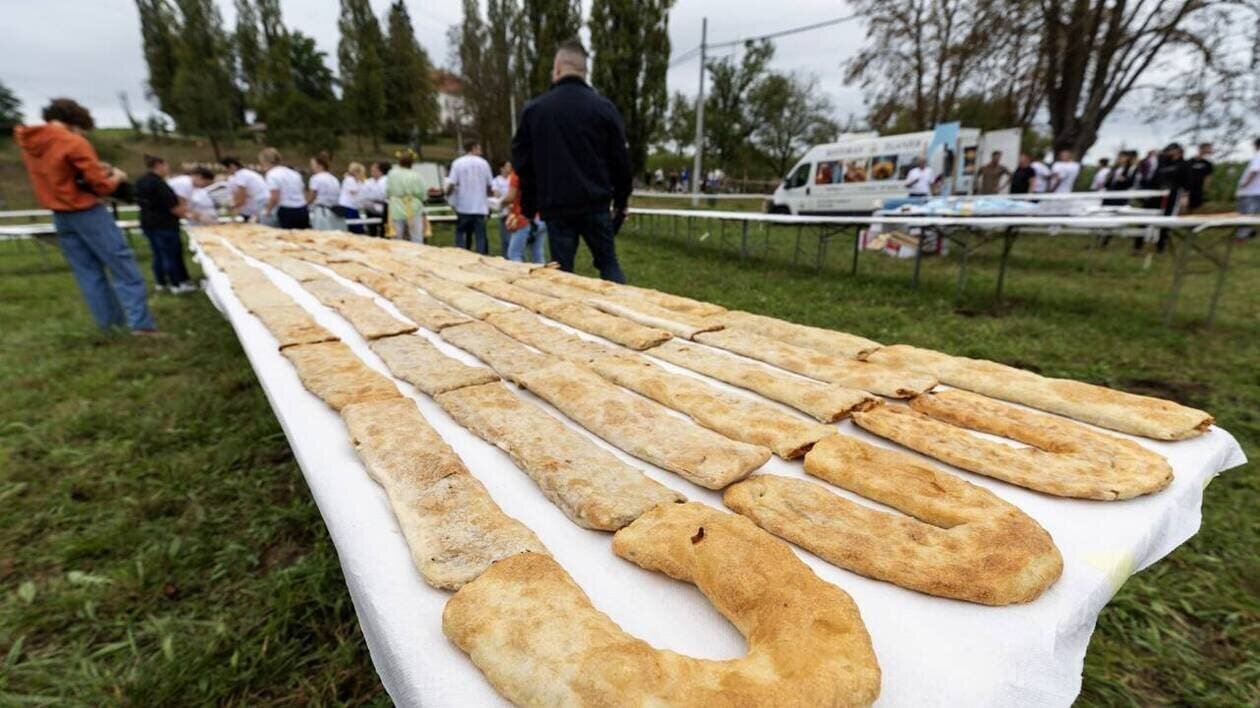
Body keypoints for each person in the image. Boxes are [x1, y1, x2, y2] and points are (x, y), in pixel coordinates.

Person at [14, 98, 157, 333]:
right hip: (87, 211)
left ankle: (111, 326)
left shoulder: (32, 143)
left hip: (59, 214)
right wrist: (117, 177)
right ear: (75, 121)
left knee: (88, 273)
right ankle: (141, 325)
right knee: (124, 268)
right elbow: (100, 186)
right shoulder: (73, 141)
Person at [512, 39, 632, 282]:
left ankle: (565, 318)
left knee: (562, 274)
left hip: (556, 206)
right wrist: (621, 202)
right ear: (584, 71)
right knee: (608, 263)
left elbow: (524, 164)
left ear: (557, 68)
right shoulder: (604, 108)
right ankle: (627, 312)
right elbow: (621, 161)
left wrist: (528, 207)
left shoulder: (535, 111)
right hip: (596, 203)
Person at [134, 154, 196, 294]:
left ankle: (160, 282)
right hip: (164, 224)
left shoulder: (141, 181)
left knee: (158, 254)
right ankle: (177, 283)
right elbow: (172, 207)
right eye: (166, 165)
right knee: (171, 254)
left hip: (148, 223)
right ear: (159, 165)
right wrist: (190, 215)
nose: (167, 169)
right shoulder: (160, 184)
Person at [1137, 143, 1192, 254]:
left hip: (1172, 195)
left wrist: (1185, 197)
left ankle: (1160, 246)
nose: (1168, 152)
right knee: (1145, 218)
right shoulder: (1162, 162)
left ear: (1178, 151)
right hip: (1157, 193)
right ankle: (1138, 244)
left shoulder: (1184, 164)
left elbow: (1187, 182)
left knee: (1165, 221)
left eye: (1171, 150)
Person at [446, 139, 494, 254]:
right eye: (479, 147)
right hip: (480, 206)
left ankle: (461, 253)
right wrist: (489, 201)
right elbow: (489, 185)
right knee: (480, 235)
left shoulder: (457, 163)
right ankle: (480, 255)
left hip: (464, 205)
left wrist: (447, 195)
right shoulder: (484, 163)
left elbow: (452, 183)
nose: (480, 150)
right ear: (474, 148)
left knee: (461, 232)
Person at [502, 165, 547, 263]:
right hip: (541, 216)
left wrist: (500, 203)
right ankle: (543, 276)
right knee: (537, 252)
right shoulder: (541, 171)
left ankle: (520, 276)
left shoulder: (517, 175)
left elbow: (511, 196)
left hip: (523, 218)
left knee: (514, 254)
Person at [259, 147, 309, 229]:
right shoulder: (293, 173)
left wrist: (267, 210)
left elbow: (275, 197)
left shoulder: (272, 174)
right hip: (302, 208)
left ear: (265, 162)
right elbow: (303, 191)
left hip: (287, 210)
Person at [386, 149, 428, 242]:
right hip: (414, 208)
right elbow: (423, 194)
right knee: (416, 237)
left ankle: (397, 255)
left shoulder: (392, 174)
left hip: (396, 207)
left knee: (396, 236)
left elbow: (387, 191)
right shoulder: (417, 176)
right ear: (412, 162)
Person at [220, 156, 269, 221]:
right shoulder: (244, 173)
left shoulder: (241, 175)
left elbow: (241, 199)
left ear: (232, 166)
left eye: (226, 168)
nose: (226, 171)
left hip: (261, 203)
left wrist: (229, 208)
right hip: (261, 202)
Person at [307, 153, 344, 231]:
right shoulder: (334, 178)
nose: (311, 167)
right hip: (335, 212)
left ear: (320, 165)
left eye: (313, 164)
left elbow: (312, 196)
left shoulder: (315, 178)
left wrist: (304, 205)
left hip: (322, 211)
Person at [1235, 137, 1260, 240]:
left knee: (1245, 215)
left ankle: (1242, 236)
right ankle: (1249, 232)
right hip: (1256, 191)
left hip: (1250, 191)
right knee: (1251, 214)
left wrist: (1245, 183)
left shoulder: (1258, 155)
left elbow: (1255, 170)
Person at [361, 161, 390, 237]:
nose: (372, 173)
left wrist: (373, 196)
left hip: (385, 209)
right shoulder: (368, 182)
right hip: (371, 209)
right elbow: (364, 195)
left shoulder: (386, 180)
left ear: (380, 171)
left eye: (374, 171)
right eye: (371, 171)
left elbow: (383, 195)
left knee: (385, 231)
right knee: (372, 230)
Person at [339, 162, 367, 234]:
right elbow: (354, 191)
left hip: (354, 207)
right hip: (347, 206)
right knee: (354, 227)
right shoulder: (349, 180)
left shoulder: (358, 181)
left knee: (358, 228)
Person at [1185, 143, 1213, 214]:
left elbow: (1208, 177)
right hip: (1189, 189)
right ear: (1201, 149)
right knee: (1188, 207)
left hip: (1199, 189)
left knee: (1198, 208)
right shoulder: (1189, 162)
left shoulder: (1207, 163)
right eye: (1208, 148)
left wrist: (1206, 188)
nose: (1209, 150)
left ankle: (1194, 223)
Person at [491, 161, 513, 254]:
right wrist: (507, 201)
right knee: (505, 238)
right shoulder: (496, 181)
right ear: (502, 168)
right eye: (508, 166)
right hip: (503, 211)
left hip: (513, 211)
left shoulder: (512, 179)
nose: (510, 168)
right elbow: (497, 194)